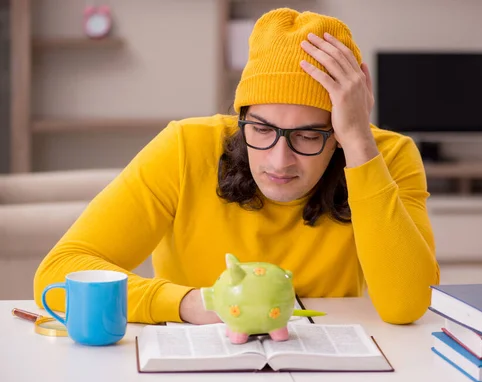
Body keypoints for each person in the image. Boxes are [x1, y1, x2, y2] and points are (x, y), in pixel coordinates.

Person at [33, 8, 439, 326]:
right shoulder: (185, 146)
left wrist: (360, 145)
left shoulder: (385, 155)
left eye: (309, 136)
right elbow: (58, 274)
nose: (280, 161)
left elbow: (406, 305)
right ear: (241, 117)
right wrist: (188, 303)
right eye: (261, 128)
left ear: (338, 131)